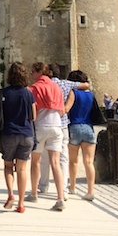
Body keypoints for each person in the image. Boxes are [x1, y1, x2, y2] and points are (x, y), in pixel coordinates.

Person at [37, 65, 90, 195]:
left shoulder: (42, 85)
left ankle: (43, 186)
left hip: (46, 122)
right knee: (63, 158)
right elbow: (86, 85)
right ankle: (64, 188)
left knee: (44, 158)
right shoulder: (66, 84)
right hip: (62, 124)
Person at [0, 62, 35, 213]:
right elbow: (34, 116)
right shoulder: (28, 93)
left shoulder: (3, 92)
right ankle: (22, 203)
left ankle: (11, 194)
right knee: (22, 169)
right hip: (26, 134)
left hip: (9, 133)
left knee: (8, 166)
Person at [27, 62, 66, 211]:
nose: (31, 75)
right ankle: (60, 198)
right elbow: (62, 110)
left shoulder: (34, 88)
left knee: (35, 162)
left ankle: (34, 193)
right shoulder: (56, 87)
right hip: (57, 126)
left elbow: (32, 110)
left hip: (40, 126)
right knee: (56, 163)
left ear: (38, 72)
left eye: (32, 72)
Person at [64, 70, 98, 201]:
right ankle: (90, 191)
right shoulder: (91, 94)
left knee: (73, 161)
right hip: (88, 127)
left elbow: (67, 108)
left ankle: (72, 187)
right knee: (89, 162)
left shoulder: (73, 92)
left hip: (75, 126)